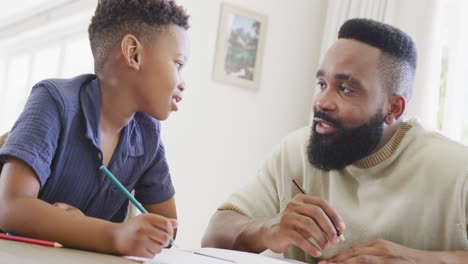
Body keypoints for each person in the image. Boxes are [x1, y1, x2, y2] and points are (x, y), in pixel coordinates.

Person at [202, 18, 468, 263]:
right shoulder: (295, 152)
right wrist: (268, 230)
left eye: (345, 89)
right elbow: (214, 235)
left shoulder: (458, 171)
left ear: (394, 108)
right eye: (322, 84)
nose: (321, 102)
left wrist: (421, 260)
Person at [0, 0, 190, 257]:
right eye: (178, 64)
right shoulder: (54, 101)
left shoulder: (148, 133)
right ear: (133, 53)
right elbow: (10, 207)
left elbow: (167, 228)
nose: (182, 83)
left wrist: (81, 226)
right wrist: (111, 234)